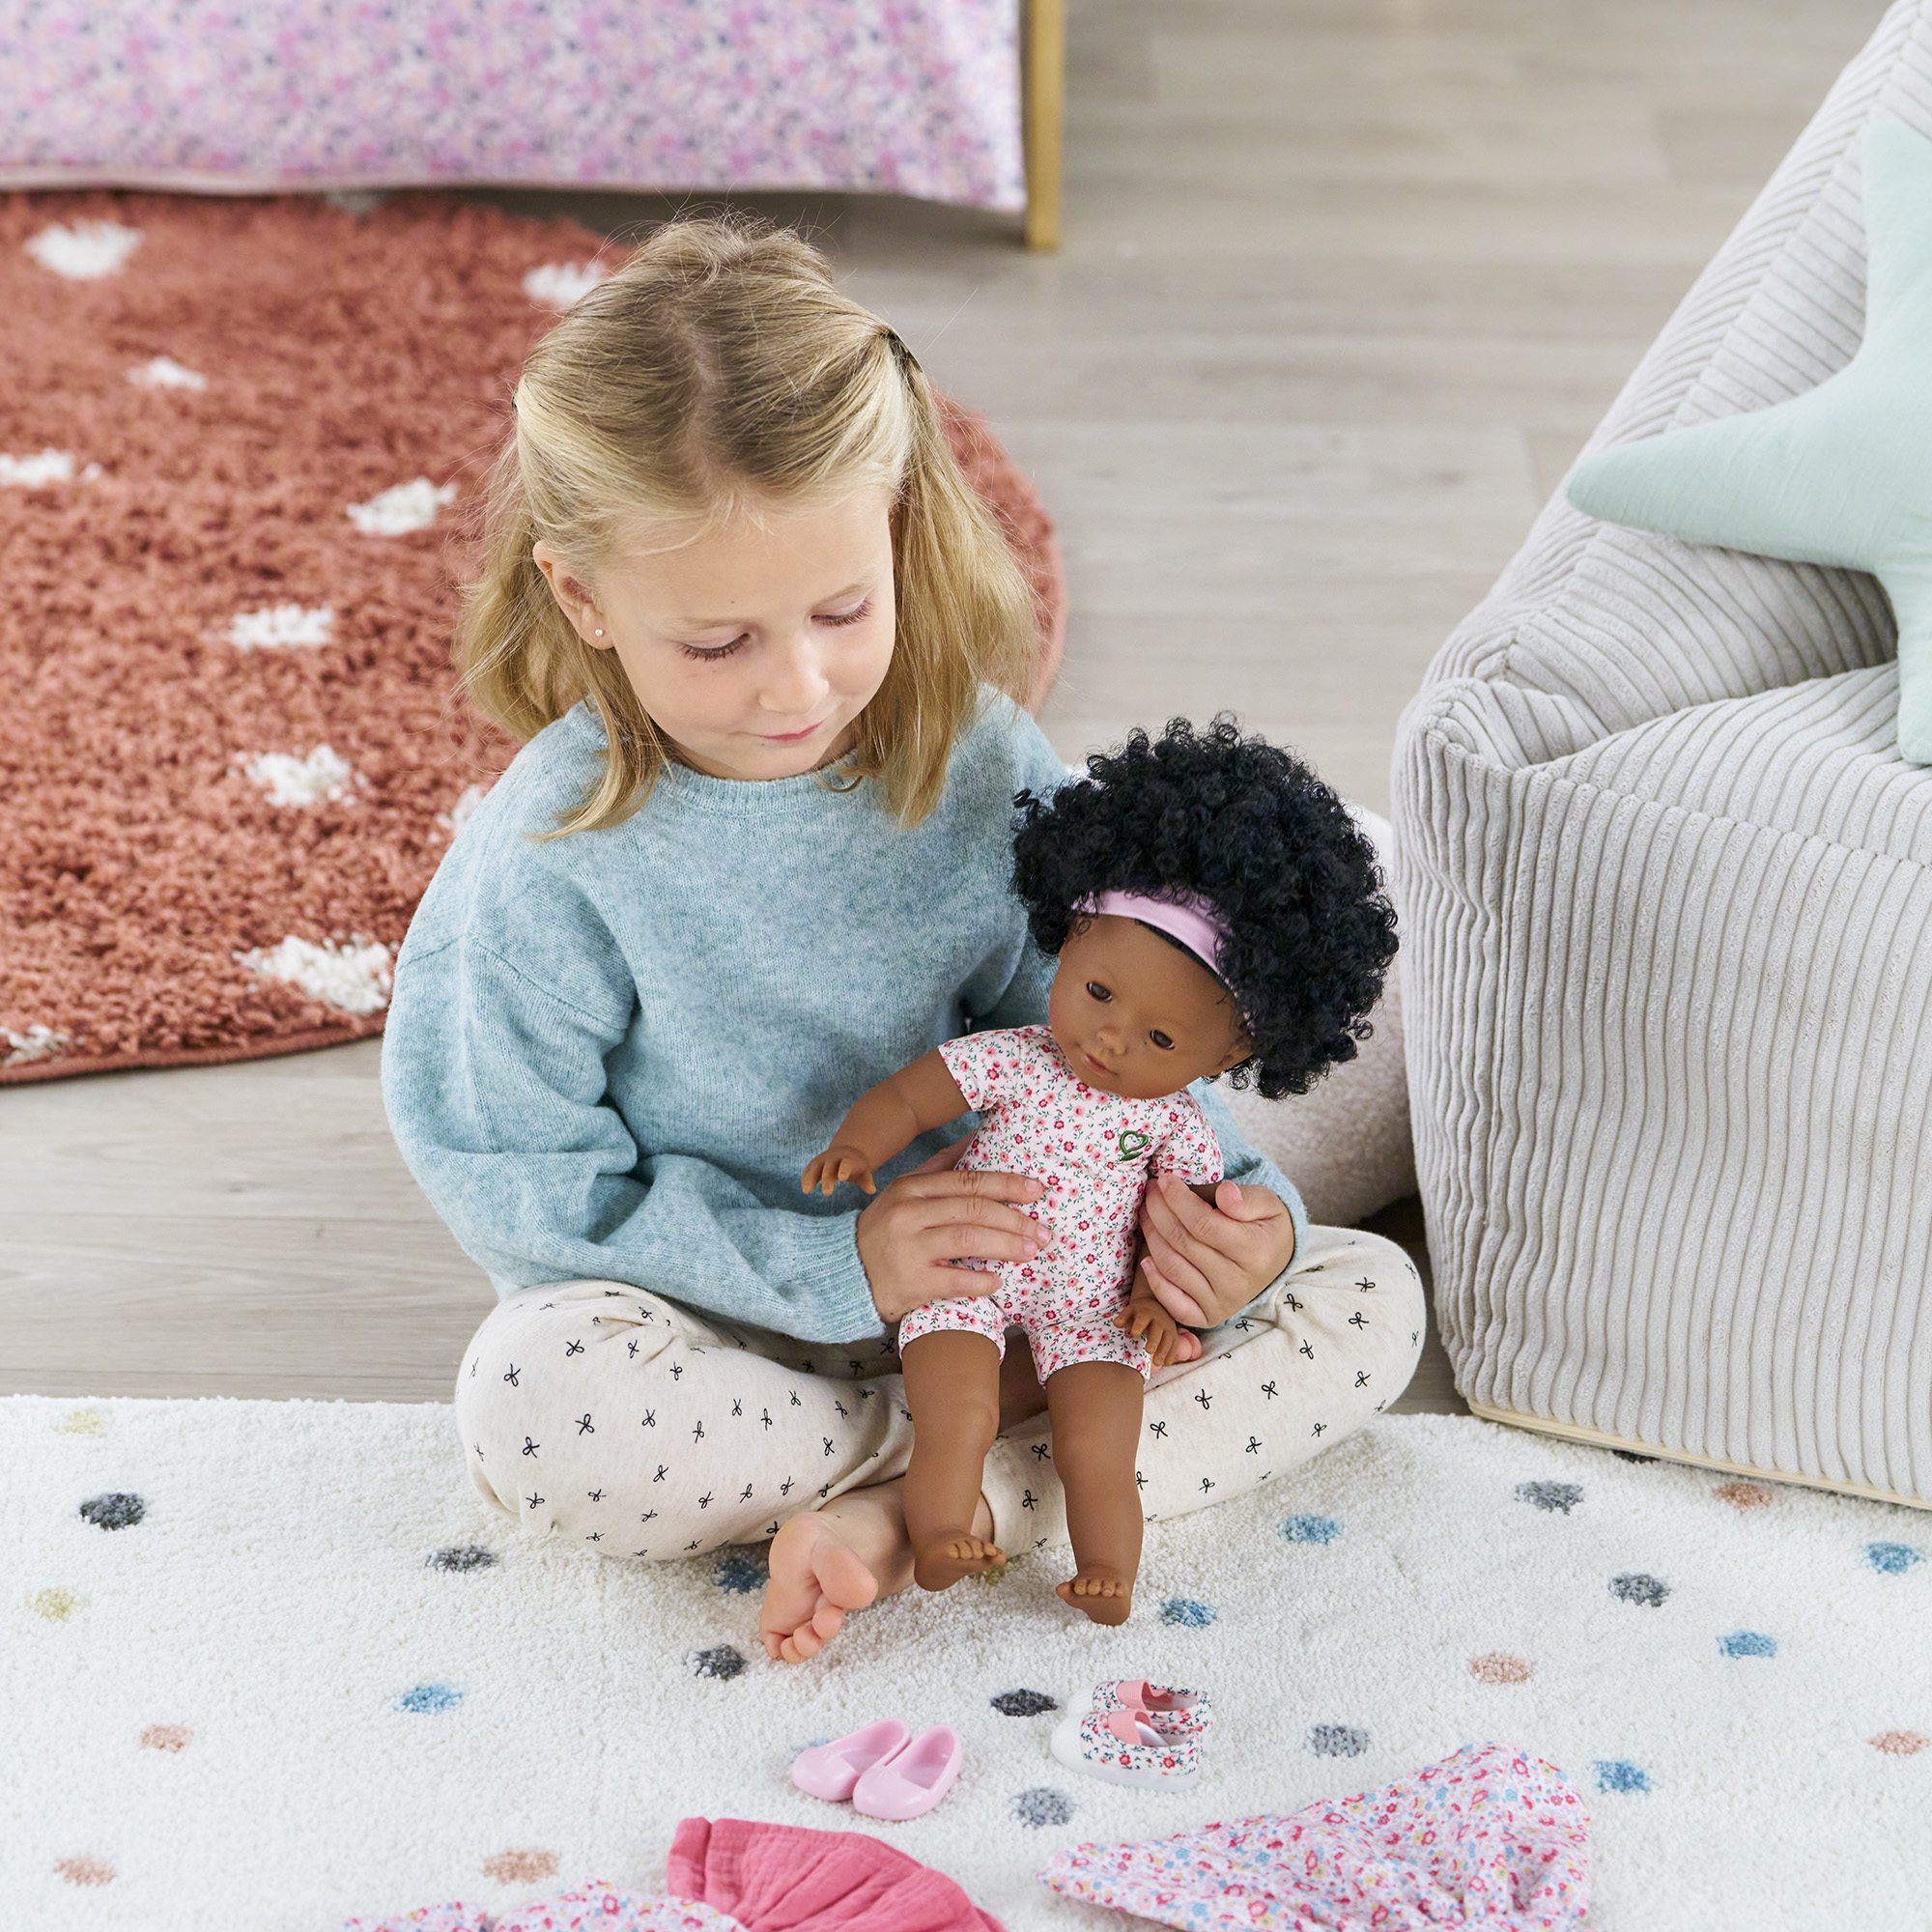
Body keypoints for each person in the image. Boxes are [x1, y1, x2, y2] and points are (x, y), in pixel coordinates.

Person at [381, 215, 1427, 1666]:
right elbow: (517, 1181)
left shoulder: (982, 765)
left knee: (1365, 1298)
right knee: (534, 1407)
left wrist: (1226, 1237)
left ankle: (912, 1501)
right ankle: (964, 1470)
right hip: (720, 1325)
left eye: (840, 608)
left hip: (1027, 1294)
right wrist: (836, 1276)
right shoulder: (552, 853)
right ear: (584, 599)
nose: (796, 685)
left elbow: (1101, 1041)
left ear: (897, 532)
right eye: (718, 642)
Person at [802, 720, 1399, 1626]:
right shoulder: (1019, 1058)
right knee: (955, 1410)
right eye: (1097, 993)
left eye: (1162, 1039)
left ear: (1229, 1052)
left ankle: (1106, 1566)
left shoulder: (1177, 1125)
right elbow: (917, 1097)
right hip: (967, 1276)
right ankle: (934, 1526)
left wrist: (1167, 1302)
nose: (1113, 1039)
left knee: (1100, 1447)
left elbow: (1186, 1221)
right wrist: (859, 1145)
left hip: (1091, 1308)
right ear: (1071, 936)